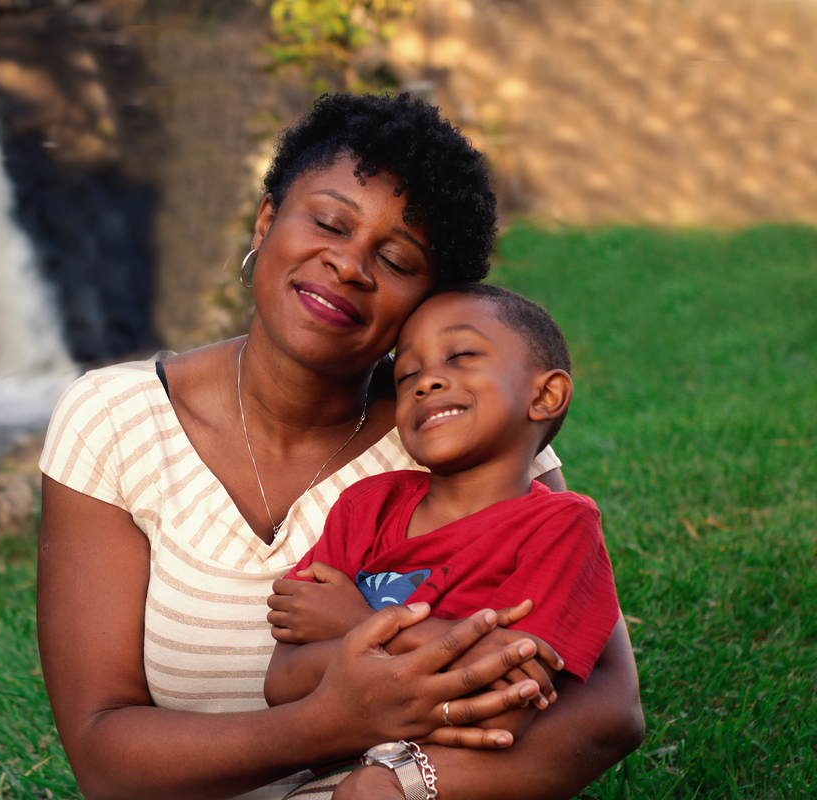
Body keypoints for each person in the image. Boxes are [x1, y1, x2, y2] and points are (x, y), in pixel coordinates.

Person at [37, 92, 644, 800]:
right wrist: (329, 723)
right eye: (328, 222)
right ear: (266, 221)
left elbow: (607, 709)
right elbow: (104, 759)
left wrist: (395, 784)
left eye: (395, 258)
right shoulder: (113, 420)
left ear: (427, 303)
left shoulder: (461, 437)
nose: (350, 265)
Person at [264, 284, 623, 798]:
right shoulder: (366, 507)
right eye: (407, 373)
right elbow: (284, 683)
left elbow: (508, 703)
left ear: (545, 396)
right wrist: (466, 655)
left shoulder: (561, 526)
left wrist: (356, 625)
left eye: (462, 356)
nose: (426, 381)